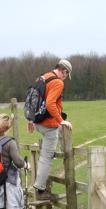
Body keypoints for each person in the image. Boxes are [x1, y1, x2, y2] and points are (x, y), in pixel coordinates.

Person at [28, 59, 73, 200]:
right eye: (66, 74)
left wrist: (30, 119)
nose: (65, 77)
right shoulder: (58, 82)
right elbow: (50, 104)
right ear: (64, 71)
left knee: (47, 151)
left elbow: (32, 100)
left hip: (38, 122)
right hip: (48, 124)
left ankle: (57, 150)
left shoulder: (43, 77)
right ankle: (40, 190)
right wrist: (61, 120)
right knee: (46, 158)